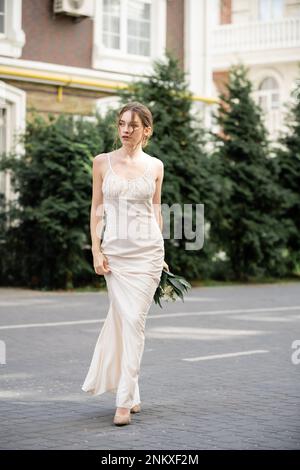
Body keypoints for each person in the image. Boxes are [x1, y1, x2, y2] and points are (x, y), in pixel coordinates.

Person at [81, 101, 169, 426]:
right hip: (115, 254)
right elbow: (96, 209)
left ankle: (122, 401)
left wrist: (161, 256)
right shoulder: (101, 162)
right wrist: (96, 249)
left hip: (148, 253)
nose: (126, 130)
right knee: (123, 320)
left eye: (133, 125)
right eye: (122, 123)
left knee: (134, 321)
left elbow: (156, 211)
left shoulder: (156, 166)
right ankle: (132, 393)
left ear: (147, 130)